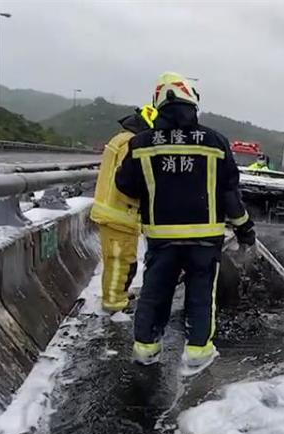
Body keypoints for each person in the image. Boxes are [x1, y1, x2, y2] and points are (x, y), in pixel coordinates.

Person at [115, 72, 255, 372]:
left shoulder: (141, 144)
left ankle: (146, 349)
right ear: (192, 100)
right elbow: (230, 195)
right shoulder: (215, 142)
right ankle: (197, 353)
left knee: (155, 292)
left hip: (161, 239)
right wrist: (245, 229)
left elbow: (124, 185)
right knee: (201, 295)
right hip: (205, 240)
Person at [90, 104, 157, 312]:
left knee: (116, 260)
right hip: (119, 212)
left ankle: (116, 295)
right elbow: (130, 178)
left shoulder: (120, 139)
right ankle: (114, 303)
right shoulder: (131, 143)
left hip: (110, 209)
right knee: (121, 261)